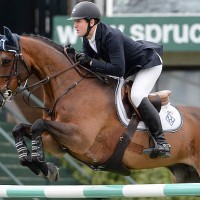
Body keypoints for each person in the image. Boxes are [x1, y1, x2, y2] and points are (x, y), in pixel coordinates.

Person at [67, 1, 170, 158]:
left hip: (147, 64)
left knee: (136, 95)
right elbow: (91, 65)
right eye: (75, 21)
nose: (75, 25)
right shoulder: (87, 38)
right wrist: (74, 57)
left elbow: (117, 70)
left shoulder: (110, 36)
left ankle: (162, 143)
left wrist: (90, 61)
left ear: (92, 22)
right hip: (130, 68)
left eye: (78, 21)